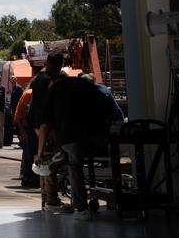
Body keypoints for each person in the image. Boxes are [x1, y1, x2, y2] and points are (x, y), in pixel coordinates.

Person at [40, 68, 116, 218]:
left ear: (53, 81)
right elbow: (108, 105)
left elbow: (46, 125)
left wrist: (41, 151)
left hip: (72, 137)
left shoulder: (54, 90)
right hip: (98, 135)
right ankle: (59, 162)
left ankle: (80, 208)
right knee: (72, 158)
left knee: (74, 165)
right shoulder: (84, 83)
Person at [30, 51, 64, 212]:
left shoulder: (39, 79)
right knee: (49, 162)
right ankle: (52, 199)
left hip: (39, 124)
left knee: (43, 162)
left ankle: (46, 200)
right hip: (47, 126)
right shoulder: (50, 80)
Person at [14, 78, 39, 187]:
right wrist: (22, 131)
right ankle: (29, 178)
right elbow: (20, 115)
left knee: (28, 153)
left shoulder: (30, 93)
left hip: (28, 128)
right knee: (29, 154)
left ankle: (28, 176)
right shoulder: (30, 94)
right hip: (26, 128)